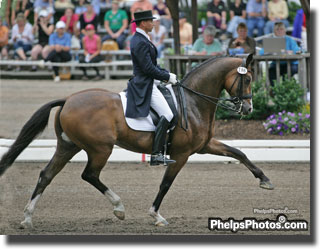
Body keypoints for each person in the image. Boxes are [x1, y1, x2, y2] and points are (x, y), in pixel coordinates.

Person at [127, 10, 177, 166]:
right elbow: (148, 68)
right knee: (168, 114)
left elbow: (152, 66)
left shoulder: (142, 38)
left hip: (150, 80)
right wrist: (167, 77)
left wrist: (166, 73)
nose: (153, 23)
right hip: (145, 83)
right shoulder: (140, 41)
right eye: (151, 21)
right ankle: (156, 154)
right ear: (143, 23)